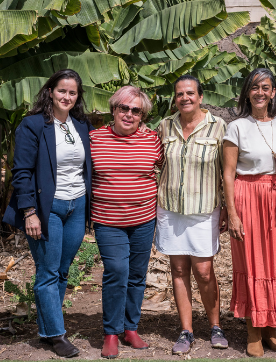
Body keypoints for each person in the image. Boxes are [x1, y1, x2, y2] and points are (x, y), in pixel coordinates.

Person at [3, 69, 93, 358]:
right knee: (47, 271)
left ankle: (46, 330)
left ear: (77, 97)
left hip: (76, 205)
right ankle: (56, 335)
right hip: (46, 208)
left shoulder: (81, 125)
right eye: (61, 90)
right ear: (50, 92)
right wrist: (29, 212)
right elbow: (22, 172)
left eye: (72, 92)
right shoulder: (32, 125)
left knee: (62, 270)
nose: (66, 96)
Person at [222, 68, 276, 357]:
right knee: (253, 262)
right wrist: (232, 213)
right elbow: (228, 173)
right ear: (247, 92)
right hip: (248, 196)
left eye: (266, 87)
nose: (260, 92)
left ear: (273, 92)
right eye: (255, 87)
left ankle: (272, 329)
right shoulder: (237, 127)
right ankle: (253, 330)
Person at [155, 74, 230, 355]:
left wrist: (225, 207)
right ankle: (186, 330)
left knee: (204, 270)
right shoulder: (165, 126)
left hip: (204, 209)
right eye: (179, 94)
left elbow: (226, 170)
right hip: (171, 207)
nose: (184, 98)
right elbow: (156, 163)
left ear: (200, 96)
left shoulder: (218, 126)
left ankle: (215, 326)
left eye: (190, 93)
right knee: (177, 269)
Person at [91, 86, 164, 359]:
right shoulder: (94, 139)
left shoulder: (153, 140)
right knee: (117, 271)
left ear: (142, 115)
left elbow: (166, 167)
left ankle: (130, 327)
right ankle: (111, 331)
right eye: (124, 108)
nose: (129, 114)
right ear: (114, 110)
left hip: (144, 219)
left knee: (136, 275)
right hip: (108, 220)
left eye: (136, 110)